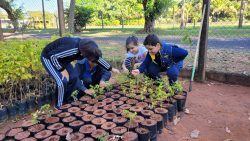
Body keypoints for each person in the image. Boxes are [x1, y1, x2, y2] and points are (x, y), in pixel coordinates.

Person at [40, 37, 113, 108]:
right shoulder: (74, 49)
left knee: (73, 77)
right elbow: (52, 56)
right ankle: (59, 106)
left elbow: (97, 59)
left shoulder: (89, 48)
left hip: (63, 59)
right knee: (62, 81)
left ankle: (66, 100)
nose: (93, 61)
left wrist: (110, 68)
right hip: (48, 57)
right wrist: (62, 70)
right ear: (85, 55)